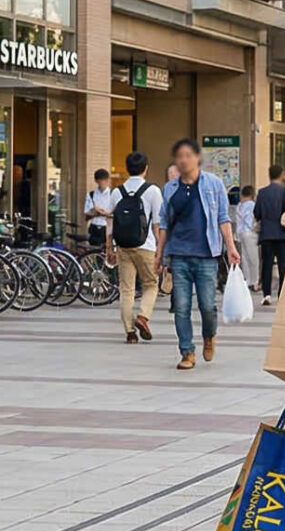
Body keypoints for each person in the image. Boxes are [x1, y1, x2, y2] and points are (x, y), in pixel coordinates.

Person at [162, 138, 236, 370]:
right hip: (179, 255)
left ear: (197, 158)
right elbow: (164, 223)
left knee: (207, 306)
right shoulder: (170, 188)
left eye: (188, 155)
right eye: (179, 156)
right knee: (181, 306)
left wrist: (231, 248)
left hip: (206, 255)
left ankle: (209, 336)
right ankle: (187, 352)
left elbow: (223, 218)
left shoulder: (213, 184)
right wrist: (159, 255)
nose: (183, 160)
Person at [107, 154, 163, 343]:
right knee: (151, 285)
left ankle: (130, 333)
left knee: (126, 289)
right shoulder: (153, 191)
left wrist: (110, 248)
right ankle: (143, 316)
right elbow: (157, 224)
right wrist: (161, 250)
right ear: (146, 167)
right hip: (145, 246)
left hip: (123, 246)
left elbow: (110, 223)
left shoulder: (117, 192)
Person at [254, 166, 285, 305]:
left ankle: (266, 294)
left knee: (266, 264)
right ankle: (281, 294)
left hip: (266, 234)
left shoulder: (262, 192)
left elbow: (257, 213)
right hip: (283, 234)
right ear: (282, 175)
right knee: (283, 265)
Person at [233, 184, 262, 292]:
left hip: (241, 233)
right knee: (253, 258)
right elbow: (250, 220)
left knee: (245, 258)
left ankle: (247, 279)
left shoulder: (239, 205)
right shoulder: (251, 205)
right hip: (250, 233)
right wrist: (256, 229)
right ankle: (254, 282)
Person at [83, 168, 118, 251]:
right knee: (94, 252)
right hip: (94, 227)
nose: (103, 182)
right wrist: (96, 211)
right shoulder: (91, 194)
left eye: (104, 180)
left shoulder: (113, 193)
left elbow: (116, 212)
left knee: (108, 252)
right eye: (100, 180)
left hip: (108, 228)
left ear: (108, 180)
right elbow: (87, 212)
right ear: (96, 181)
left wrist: (104, 213)